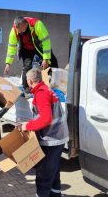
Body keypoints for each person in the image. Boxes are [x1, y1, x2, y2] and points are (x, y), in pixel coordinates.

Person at [20, 68, 69, 197]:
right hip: (58, 137)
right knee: (54, 174)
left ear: (30, 81)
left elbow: (46, 118)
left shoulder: (41, 94)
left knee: (44, 176)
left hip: (51, 139)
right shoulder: (48, 90)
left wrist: (28, 126)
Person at [4, 16, 58, 93]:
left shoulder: (37, 24)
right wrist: (8, 63)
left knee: (51, 62)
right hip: (26, 49)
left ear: (26, 24)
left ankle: (51, 86)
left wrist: (45, 59)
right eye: (18, 31)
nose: (19, 32)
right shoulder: (14, 31)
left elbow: (46, 42)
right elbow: (11, 47)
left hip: (39, 46)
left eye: (21, 30)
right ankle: (26, 89)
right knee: (27, 66)